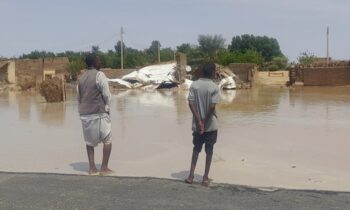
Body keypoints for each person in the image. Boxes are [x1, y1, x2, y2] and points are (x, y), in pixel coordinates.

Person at [77, 53, 113, 175]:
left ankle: (92, 168)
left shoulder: (81, 78)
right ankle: (104, 167)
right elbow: (107, 94)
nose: (100, 62)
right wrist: (107, 108)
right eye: (99, 60)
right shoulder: (100, 75)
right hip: (99, 113)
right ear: (94, 63)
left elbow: (79, 97)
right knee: (107, 139)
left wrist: (81, 112)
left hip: (85, 115)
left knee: (89, 142)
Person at [185, 62, 219, 186]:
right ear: (211, 72)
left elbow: (190, 103)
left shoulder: (194, 85)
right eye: (215, 71)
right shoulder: (214, 87)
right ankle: (205, 178)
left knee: (196, 149)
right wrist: (204, 122)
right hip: (211, 126)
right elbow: (212, 106)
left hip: (197, 126)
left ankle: (190, 176)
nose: (216, 73)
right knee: (209, 152)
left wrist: (199, 121)